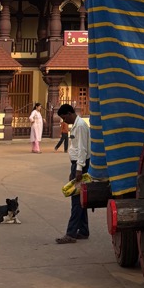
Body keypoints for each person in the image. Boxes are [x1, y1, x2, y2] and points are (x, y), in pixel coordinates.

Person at [55, 103, 90, 243]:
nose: (64, 121)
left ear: (70, 113)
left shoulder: (80, 126)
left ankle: (71, 233)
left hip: (80, 165)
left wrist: (79, 169)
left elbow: (82, 149)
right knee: (81, 199)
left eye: (64, 118)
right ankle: (83, 230)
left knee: (76, 200)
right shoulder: (76, 125)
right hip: (77, 164)